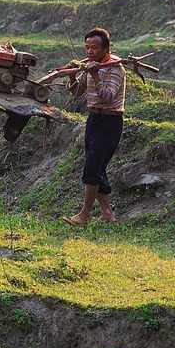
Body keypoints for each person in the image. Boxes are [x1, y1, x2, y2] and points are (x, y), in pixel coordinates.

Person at [47, 27, 124, 226]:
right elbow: (78, 92)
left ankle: (84, 215)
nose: (90, 52)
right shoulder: (92, 66)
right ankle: (107, 214)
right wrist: (72, 76)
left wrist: (96, 75)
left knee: (92, 167)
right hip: (94, 120)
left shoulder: (115, 68)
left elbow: (108, 96)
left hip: (110, 121)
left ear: (106, 48)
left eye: (95, 48)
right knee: (97, 168)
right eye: (87, 48)